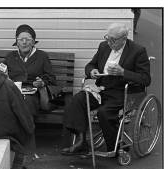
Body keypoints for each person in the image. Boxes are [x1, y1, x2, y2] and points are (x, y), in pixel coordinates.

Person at [61, 23, 151, 155]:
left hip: (123, 92)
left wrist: (123, 72)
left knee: (104, 113)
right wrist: (92, 71)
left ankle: (114, 147)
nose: (109, 42)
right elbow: (90, 65)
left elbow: (145, 79)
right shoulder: (103, 46)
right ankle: (80, 142)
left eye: (113, 40)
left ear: (124, 38)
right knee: (76, 101)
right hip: (101, 89)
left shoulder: (138, 51)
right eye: (107, 38)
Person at [4, 24, 56, 116]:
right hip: (12, 91)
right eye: (21, 40)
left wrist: (42, 82)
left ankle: (26, 130)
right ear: (17, 42)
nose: (24, 42)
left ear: (33, 42)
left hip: (33, 94)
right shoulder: (10, 57)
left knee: (26, 101)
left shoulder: (42, 56)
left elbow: (51, 78)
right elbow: (0, 73)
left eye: (28, 39)